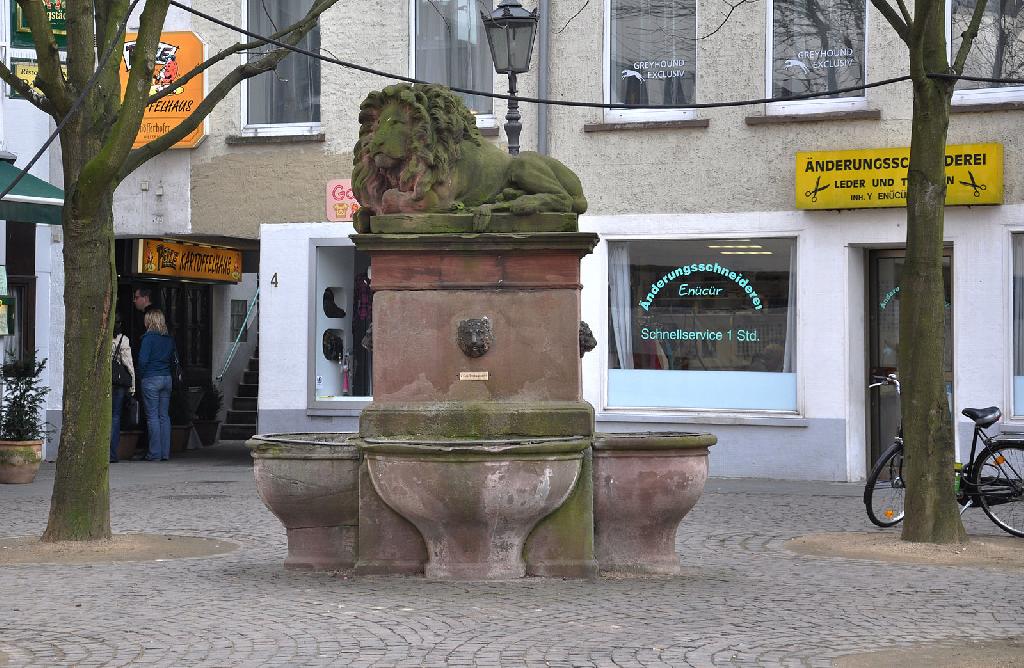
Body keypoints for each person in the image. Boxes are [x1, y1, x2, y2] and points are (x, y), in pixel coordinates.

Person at [138, 309, 175, 461]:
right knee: (164, 416)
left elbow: (142, 360)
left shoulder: (148, 338)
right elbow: (174, 359)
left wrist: (141, 376)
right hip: (167, 378)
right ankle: (165, 453)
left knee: (152, 417)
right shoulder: (168, 339)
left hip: (151, 378)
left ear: (150, 321)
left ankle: (154, 453)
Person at [109, 319, 136, 463]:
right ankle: (112, 454)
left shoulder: (102, 336)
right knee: (115, 416)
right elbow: (128, 363)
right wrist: (133, 385)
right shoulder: (123, 340)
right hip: (118, 383)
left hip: (104, 381)